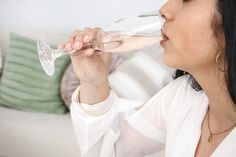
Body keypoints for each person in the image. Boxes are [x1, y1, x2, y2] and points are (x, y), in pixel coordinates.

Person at [58, 0, 236, 156]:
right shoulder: (182, 97)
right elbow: (109, 150)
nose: (164, 9)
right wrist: (94, 83)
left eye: (187, 0)